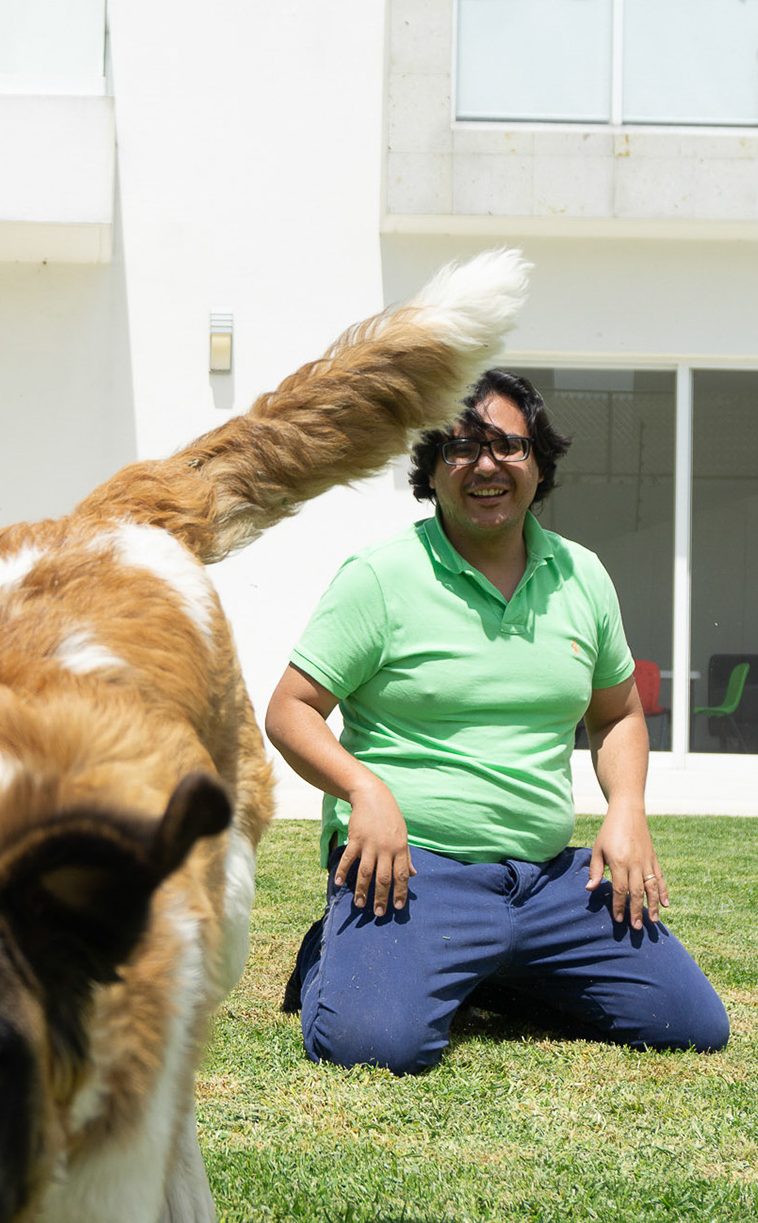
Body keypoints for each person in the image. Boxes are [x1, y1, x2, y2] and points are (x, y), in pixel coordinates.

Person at [265, 368, 729, 1075]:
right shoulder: (381, 577)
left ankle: (481, 966)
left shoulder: (583, 577)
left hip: (549, 883)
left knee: (688, 1023)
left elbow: (618, 715)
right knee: (373, 1046)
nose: (486, 465)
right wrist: (365, 790)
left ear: (538, 464)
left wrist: (627, 809)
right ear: (432, 468)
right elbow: (290, 709)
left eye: (508, 446)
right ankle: (338, 947)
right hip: (413, 870)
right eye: (461, 447)